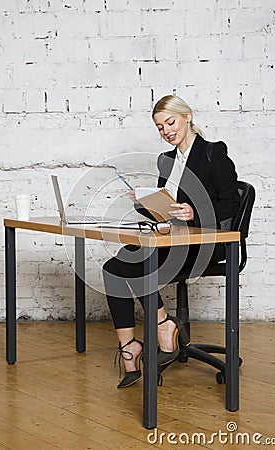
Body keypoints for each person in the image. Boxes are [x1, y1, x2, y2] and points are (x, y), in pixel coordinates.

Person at [103, 94, 240, 388]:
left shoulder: (213, 153)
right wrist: (144, 200)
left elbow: (231, 203)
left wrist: (196, 211)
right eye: (160, 127)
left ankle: (164, 326)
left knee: (136, 265)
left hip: (204, 244)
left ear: (187, 116)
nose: (166, 131)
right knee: (114, 268)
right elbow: (168, 208)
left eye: (170, 122)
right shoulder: (166, 160)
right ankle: (131, 350)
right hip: (172, 240)